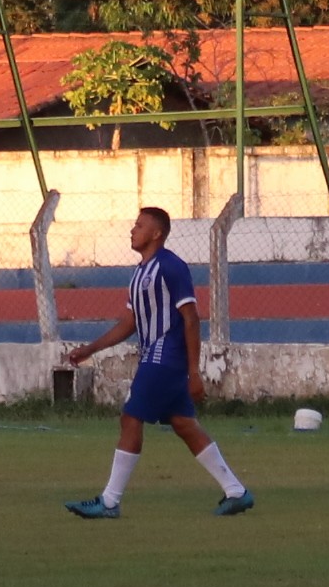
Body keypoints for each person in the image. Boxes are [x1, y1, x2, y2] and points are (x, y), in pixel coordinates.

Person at [58, 203, 253, 518]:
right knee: (183, 424)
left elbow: (190, 318)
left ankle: (109, 501)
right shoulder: (139, 273)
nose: (132, 230)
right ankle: (236, 491)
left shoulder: (170, 267)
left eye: (139, 225)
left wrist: (194, 370)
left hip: (165, 357)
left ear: (157, 233)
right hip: (156, 356)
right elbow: (128, 322)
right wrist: (91, 348)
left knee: (130, 418)